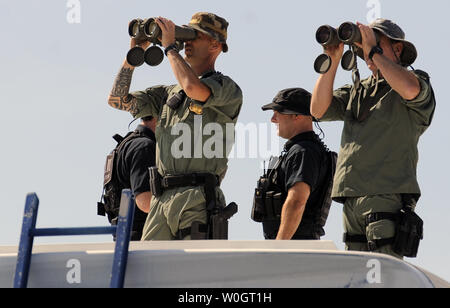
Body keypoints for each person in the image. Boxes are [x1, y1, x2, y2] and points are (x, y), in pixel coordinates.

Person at [107, 12, 243, 240]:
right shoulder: (168, 93)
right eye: (187, 35)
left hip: (197, 197)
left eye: (196, 36)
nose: (187, 42)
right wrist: (133, 56)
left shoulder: (226, 88)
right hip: (161, 199)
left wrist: (170, 48)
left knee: (192, 270)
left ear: (215, 45)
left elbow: (193, 88)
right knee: (151, 270)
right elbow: (117, 100)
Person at [310, 19, 436, 258]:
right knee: (357, 278)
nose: (366, 54)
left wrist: (373, 51)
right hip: (351, 197)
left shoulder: (414, 81)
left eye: (376, 44)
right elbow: (317, 109)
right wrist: (333, 59)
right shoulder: (360, 89)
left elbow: (411, 90)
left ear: (397, 49)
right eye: (361, 48)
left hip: (385, 194)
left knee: (384, 276)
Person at [253, 88, 336, 240]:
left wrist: (280, 247)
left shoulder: (303, 151)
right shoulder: (304, 150)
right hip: (296, 246)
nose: (273, 119)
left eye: (278, 112)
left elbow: (297, 200)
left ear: (297, 115)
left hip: (295, 247)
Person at [99, 115, 157, 241]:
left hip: (125, 237)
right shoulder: (144, 146)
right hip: (142, 240)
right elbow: (145, 203)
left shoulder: (127, 144)